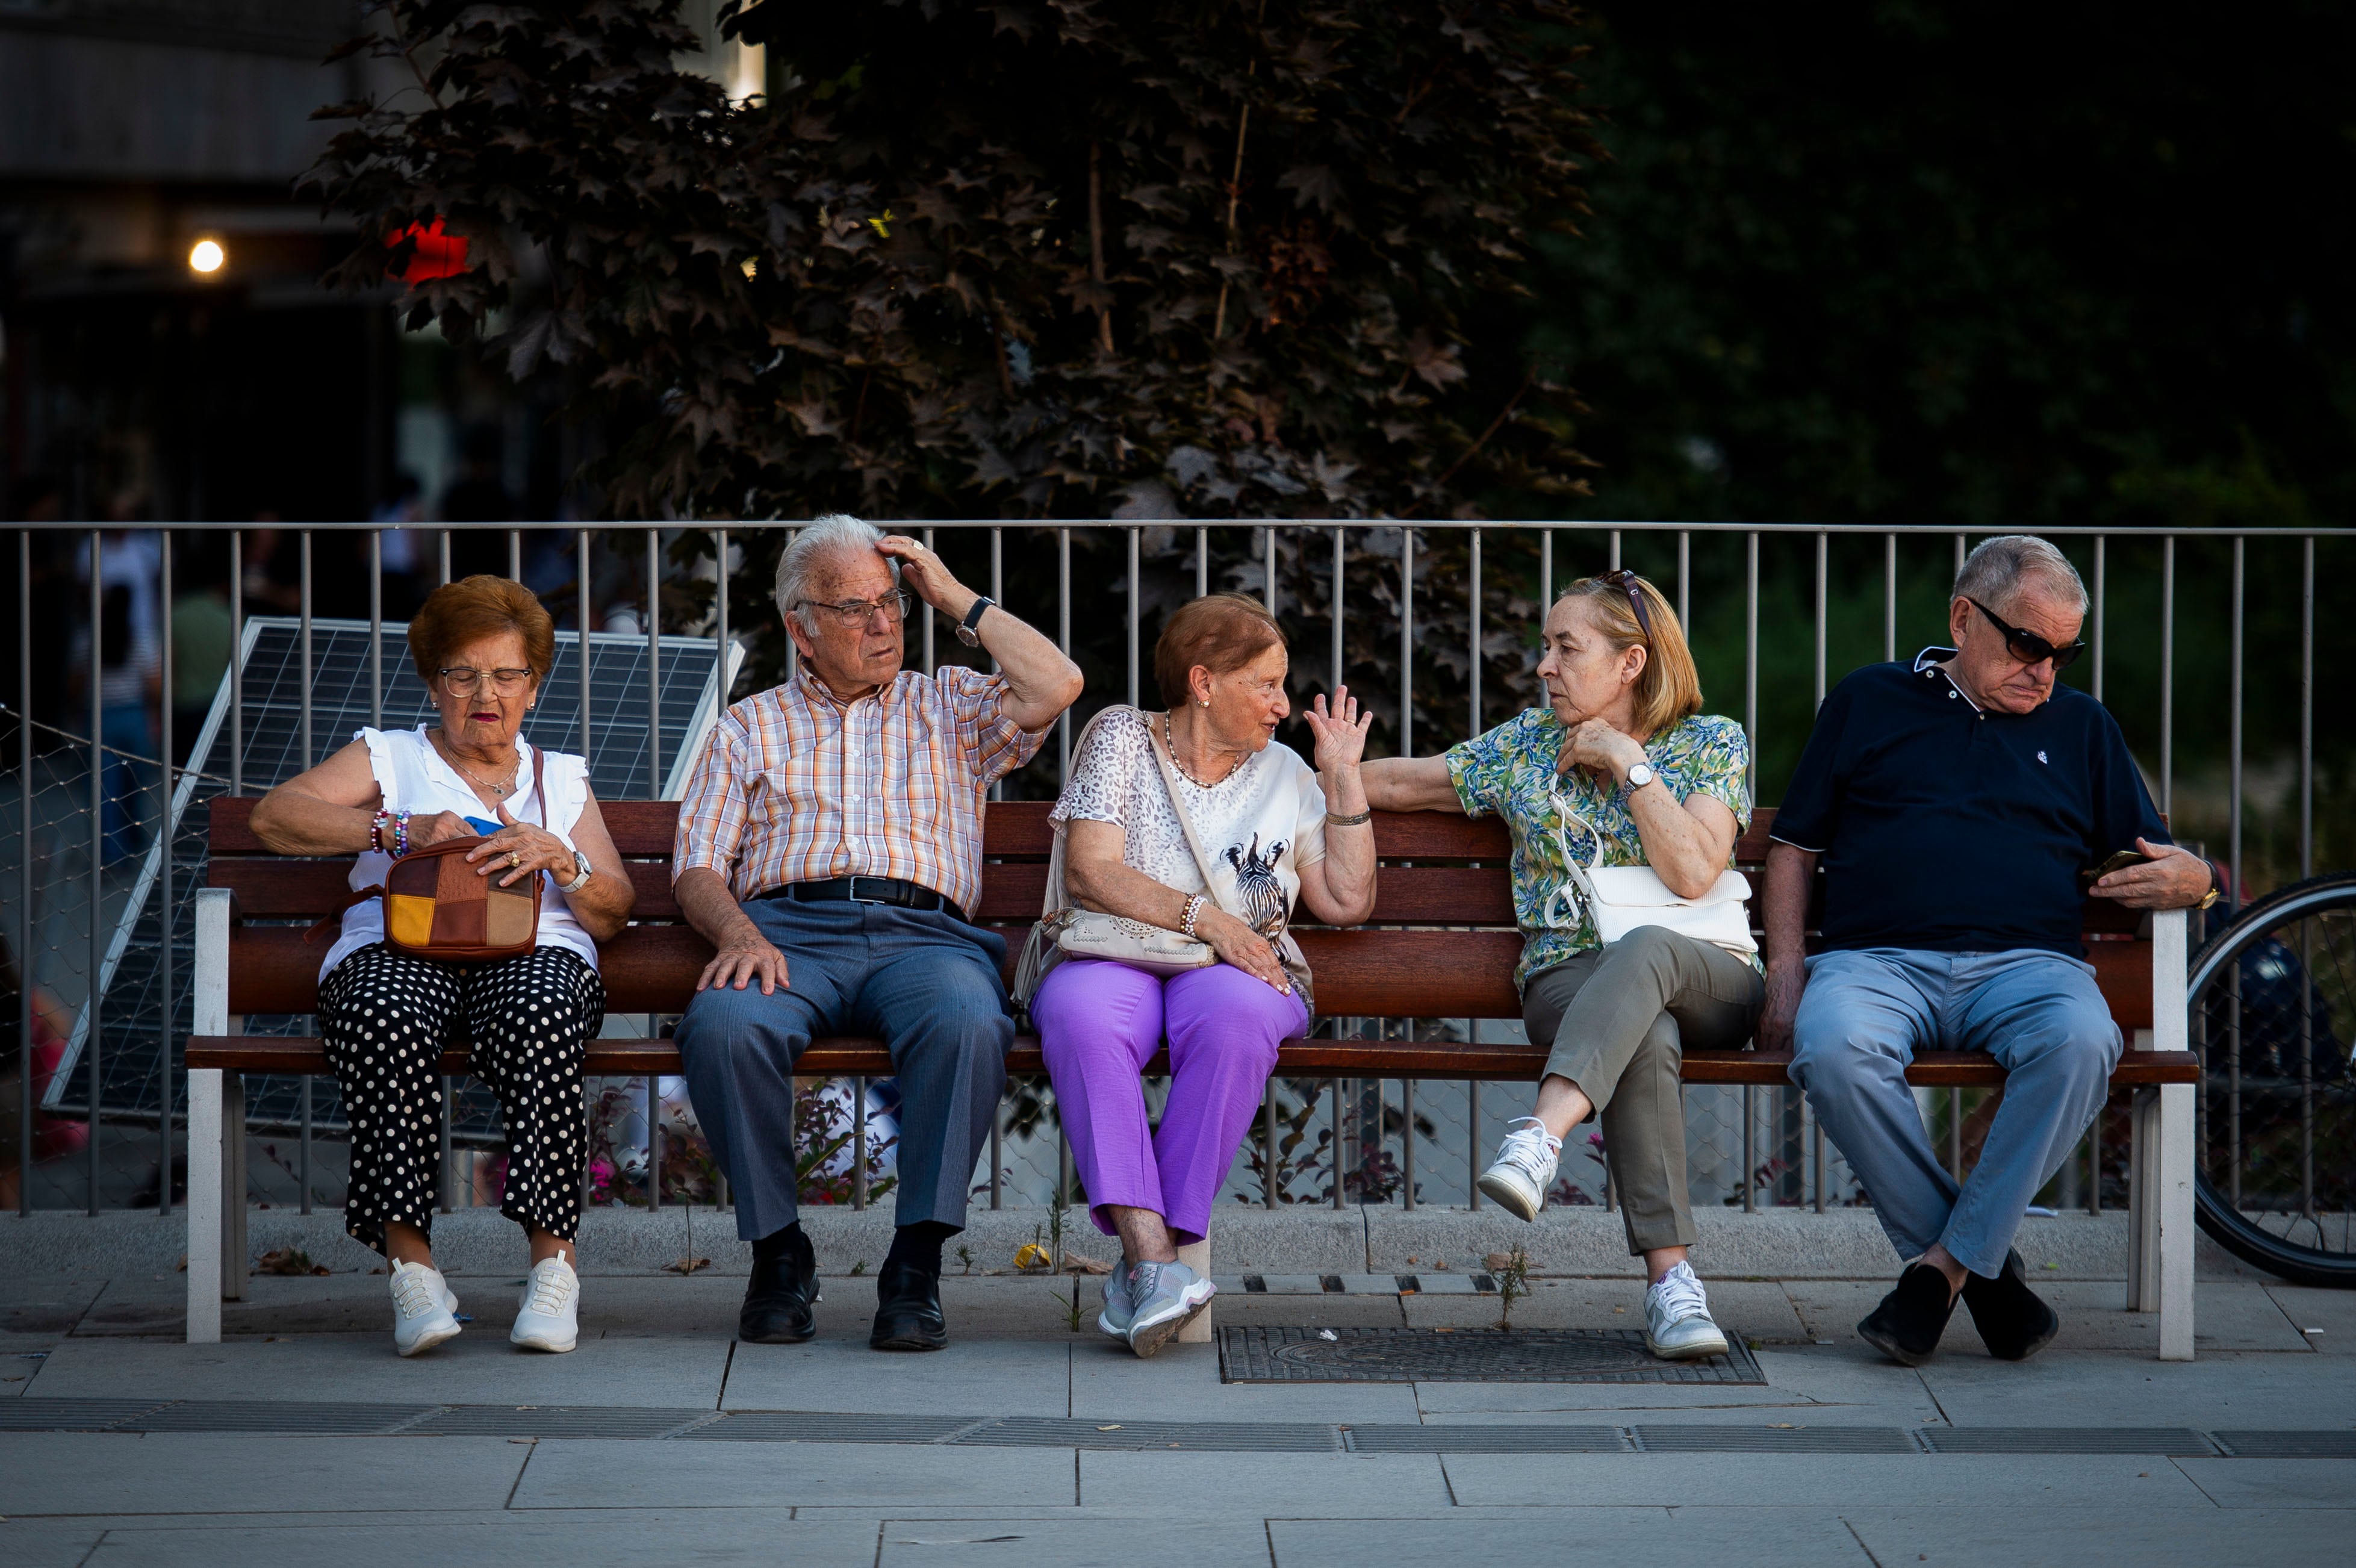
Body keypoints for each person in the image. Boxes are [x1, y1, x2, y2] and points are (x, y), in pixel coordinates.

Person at [1761, 535, 2218, 1366]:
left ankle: (1936, 1277)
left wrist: (2201, 879)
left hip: (2029, 969)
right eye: (2029, 645)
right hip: (1876, 962)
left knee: (2083, 1041)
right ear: (1963, 618)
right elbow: (1792, 848)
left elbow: (2165, 861)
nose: (2046, 671)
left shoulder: (2082, 727)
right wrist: (1786, 972)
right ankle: (1989, 1279)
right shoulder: (1869, 700)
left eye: (2064, 654)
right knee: (1830, 1048)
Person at [670, 515, 1081, 1352]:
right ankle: (779, 1252)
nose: (883, 623)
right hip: (788, 931)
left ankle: (915, 1263)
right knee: (722, 1024)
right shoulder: (749, 728)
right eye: (853, 609)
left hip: (924, 938)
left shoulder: (953, 705)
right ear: (801, 629)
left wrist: (956, 598)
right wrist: (739, 934)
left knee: (969, 1022)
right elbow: (697, 865)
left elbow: (1059, 685)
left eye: (890, 602)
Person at [1363, 570, 1759, 1361]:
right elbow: (1406, 781)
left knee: (1645, 954)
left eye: (1564, 648)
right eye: (1545, 647)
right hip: (1568, 983)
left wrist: (1625, 761)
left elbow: (1691, 872)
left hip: (1708, 976)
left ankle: (1538, 1140)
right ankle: (1673, 1290)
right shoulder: (1523, 749)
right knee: (1642, 1035)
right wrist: (1305, 775)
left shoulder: (1711, 742)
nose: (1543, 666)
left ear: (1631, 661)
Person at [248, 575, 636, 1357]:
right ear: (433, 682)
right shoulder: (390, 756)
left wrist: (563, 859)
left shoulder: (559, 777)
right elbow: (273, 817)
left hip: (533, 951)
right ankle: (413, 1269)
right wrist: (397, 828)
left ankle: (553, 1267)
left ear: (534, 684)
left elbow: (613, 909)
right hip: (401, 946)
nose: (484, 693)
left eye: (505, 674)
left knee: (543, 1013)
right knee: (382, 1015)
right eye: (463, 674)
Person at [1031, 593, 1376, 1357]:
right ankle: (1157, 1260)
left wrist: (1343, 778)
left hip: (1235, 971)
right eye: (1266, 684)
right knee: (1082, 1018)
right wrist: (1212, 922)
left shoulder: (1287, 772)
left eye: (1282, 686)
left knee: (1238, 1018)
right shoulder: (1121, 736)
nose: (1283, 707)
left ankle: (1146, 1272)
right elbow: (1091, 872)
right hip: (1113, 948)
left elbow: (1347, 902)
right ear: (1203, 682)